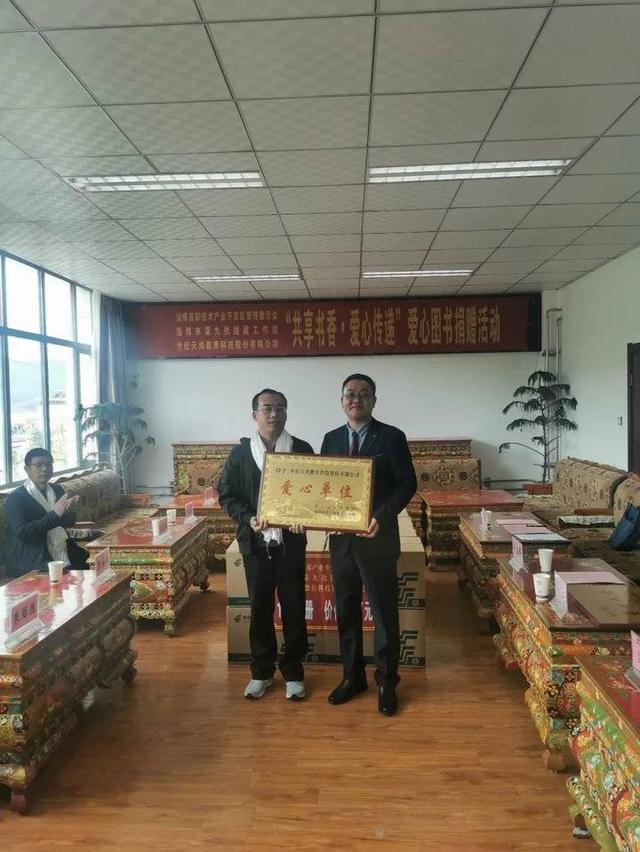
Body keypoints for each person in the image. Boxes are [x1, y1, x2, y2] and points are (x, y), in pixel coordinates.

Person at [321, 374, 417, 716]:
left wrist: (381, 515)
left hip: (377, 538)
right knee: (346, 610)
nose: (356, 399)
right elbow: (324, 486)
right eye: (350, 394)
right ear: (341, 401)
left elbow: (407, 484)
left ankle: (387, 681)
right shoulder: (331, 439)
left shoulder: (391, 437)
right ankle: (352, 677)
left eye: (364, 394)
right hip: (342, 542)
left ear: (374, 401)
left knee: (383, 613)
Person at [218, 388, 314, 701]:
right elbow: (226, 495)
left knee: (294, 606)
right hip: (256, 545)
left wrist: (304, 516)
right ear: (254, 414)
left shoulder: (301, 449)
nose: (274, 414)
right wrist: (248, 518)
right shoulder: (241, 454)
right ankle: (261, 672)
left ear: (286, 413)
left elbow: (314, 495)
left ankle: (294, 673)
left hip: (290, 543)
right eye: (267, 408)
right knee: (260, 609)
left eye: (280, 408)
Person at [5, 447, 87, 578]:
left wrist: (70, 510)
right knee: (65, 573)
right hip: (33, 556)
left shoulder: (57, 489)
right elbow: (23, 532)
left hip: (63, 547)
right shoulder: (16, 498)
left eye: (49, 464)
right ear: (27, 469)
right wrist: (55, 515)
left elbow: (69, 521)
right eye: (39, 465)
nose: (45, 469)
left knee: (93, 561)